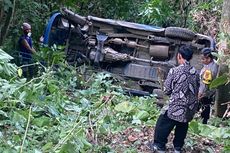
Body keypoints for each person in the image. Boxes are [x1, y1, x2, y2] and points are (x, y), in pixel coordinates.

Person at [149, 45, 200, 153]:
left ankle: (159, 146)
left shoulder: (174, 71)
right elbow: (196, 90)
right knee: (182, 124)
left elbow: (167, 90)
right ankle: (177, 148)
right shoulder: (196, 73)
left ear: (179, 56)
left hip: (176, 106)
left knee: (162, 123)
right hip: (189, 108)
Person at [198, 48, 219, 124]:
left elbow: (205, 84)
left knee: (205, 106)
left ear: (209, 59)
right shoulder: (214, 64)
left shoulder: (210, 70)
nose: (202, 61)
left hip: (206, 92)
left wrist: (200, 93)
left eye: (203, 59)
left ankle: (204, 122)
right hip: (210, 91)